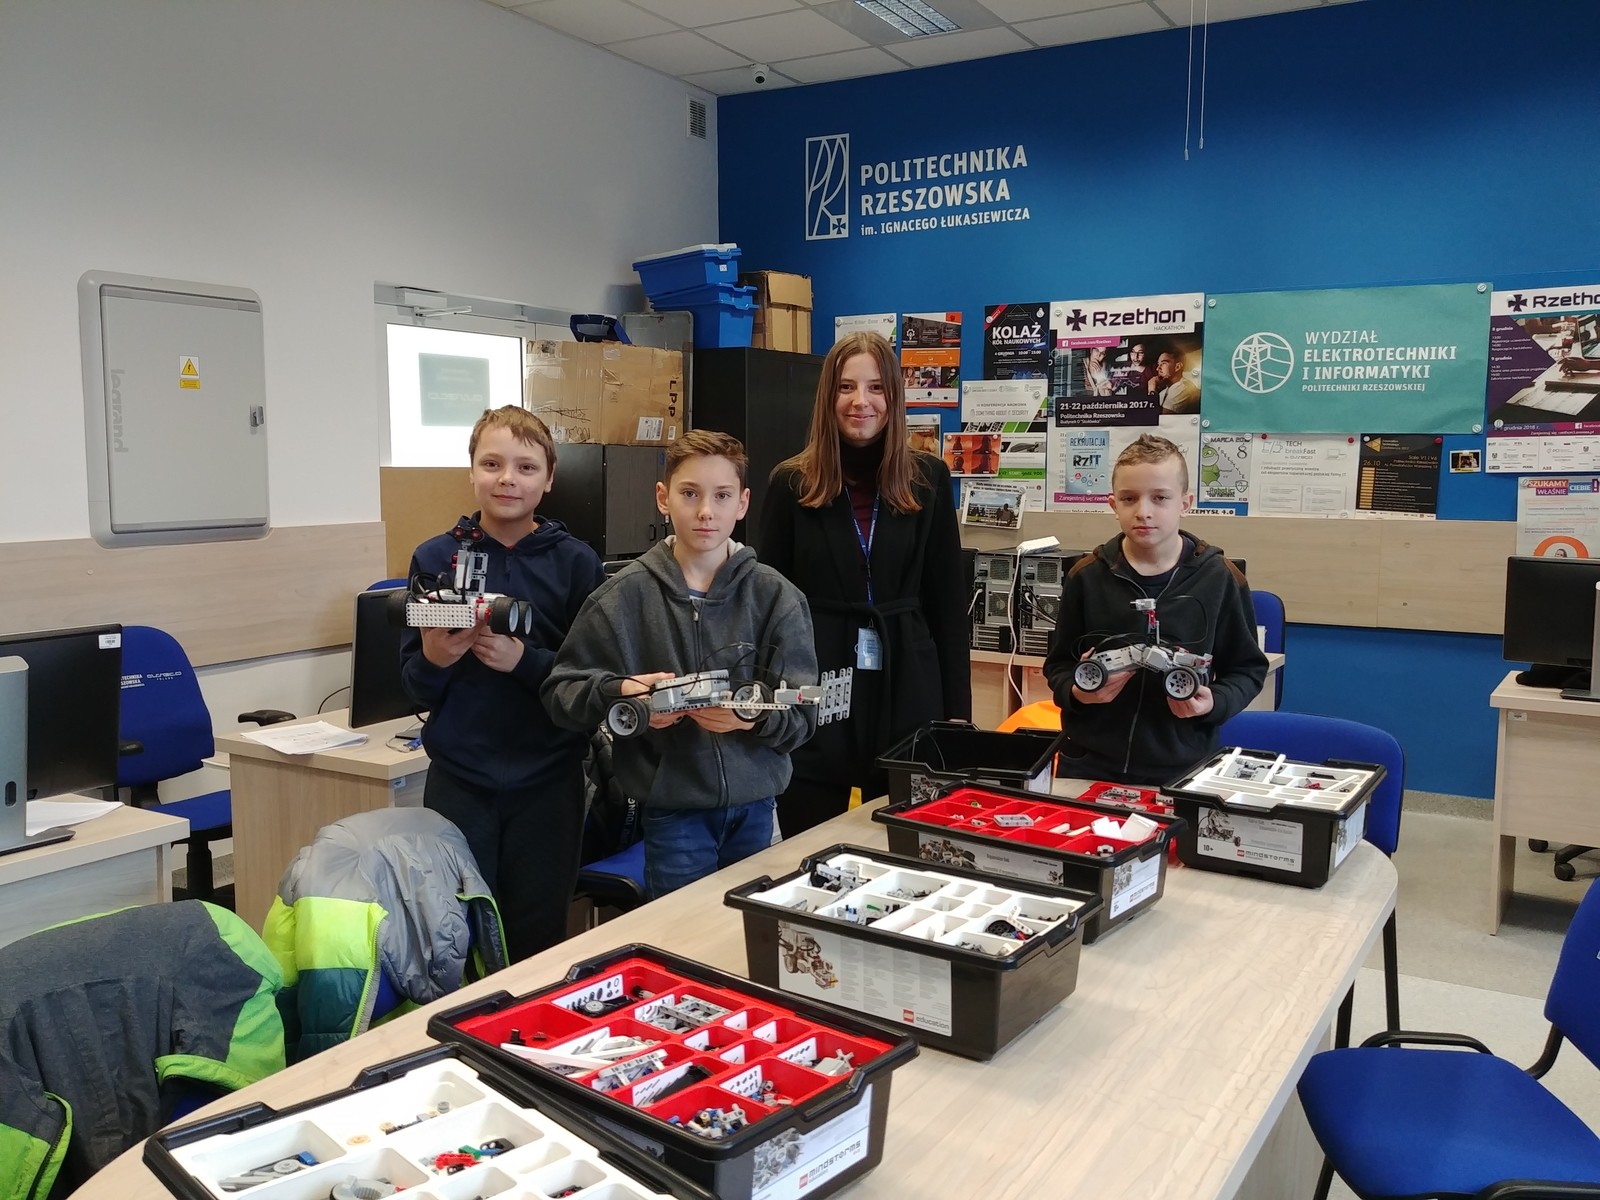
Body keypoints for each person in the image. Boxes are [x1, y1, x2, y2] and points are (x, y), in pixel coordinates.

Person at [542, 430, 818, 898]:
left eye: (722, 495)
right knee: (684, 929)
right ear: (663, 497)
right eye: (690, 493)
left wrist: (750, 717)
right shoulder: (622, 597)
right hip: (674, 814)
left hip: (757, 808)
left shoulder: (777, 597)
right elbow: (560, 693)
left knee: (750, 929)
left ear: (743, 503)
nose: (706, 511)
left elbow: (805, 710)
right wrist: (622, 693)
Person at [399, 405, 606, 961]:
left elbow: (592, 684)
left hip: (549, 783)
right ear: (471, 471)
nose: (507, 479)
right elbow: (414, 688)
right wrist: (435, 659)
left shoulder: (576, 563)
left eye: (526, 467)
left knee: (536, 935)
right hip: (460, 781)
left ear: (549, 478)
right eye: (492, 464)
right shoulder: (436, 558)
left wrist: (524, 662)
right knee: (454, 935)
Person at [759, 330, 972, 836]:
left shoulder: (928, 478)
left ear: (893, 397)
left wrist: (957, 714)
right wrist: (768, 701)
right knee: (808, 839)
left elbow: (947, 603)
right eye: (846, 387)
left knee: (908, 835)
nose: (861, 401)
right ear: (827, 397)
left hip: (908, 678)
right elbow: (769, 605)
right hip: (819, 678)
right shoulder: (791, 483)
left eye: (876, 387)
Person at [1042, 433, 1267, 785]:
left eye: (1160, 498)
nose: (1143, 511)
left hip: (1182, 767)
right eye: (1129, 498)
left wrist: (1213, 702)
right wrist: (1075, 690)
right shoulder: (1086, 576)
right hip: (1088, 763)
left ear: (1185, 503)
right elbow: (1058, 664)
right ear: (1113, 504)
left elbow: (1248, 670)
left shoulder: (1220, 579)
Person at [1155, 347, 1201, 413]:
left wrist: (1152, 391)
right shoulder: (1163, 392)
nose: (1158, 368)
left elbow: (1163, 417)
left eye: (1164, 363)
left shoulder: (1183, 388)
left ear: (1177, 367)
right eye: (1158, 364)